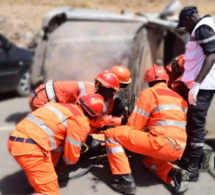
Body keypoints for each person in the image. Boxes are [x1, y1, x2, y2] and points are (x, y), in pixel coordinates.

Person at [103, 64, 189, 195]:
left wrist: (115, 124)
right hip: (179, 148)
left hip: (161, 143)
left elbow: (133, 126)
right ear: (166, 80)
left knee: (112, 134)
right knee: (149, 162)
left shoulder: (150, 93)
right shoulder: (179, 98)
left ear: (149, 82)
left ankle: (125, 181)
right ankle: (174, 172)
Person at [8, 94, 105, 195]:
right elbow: (69, 159)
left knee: (56, 151)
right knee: (50, 193)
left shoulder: (60, 106)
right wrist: (79, 150)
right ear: (94, 114)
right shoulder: (80, 121)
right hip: (31, 149)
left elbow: (56, 138)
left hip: (16, 140)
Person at [177, 6, 215, 181]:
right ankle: (188, 159)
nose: (185, 29)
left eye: (184, 26)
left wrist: (197, 84)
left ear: (188, 19)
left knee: (196, 125)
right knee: (192, 123)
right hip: (201, 85)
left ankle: (193, 168)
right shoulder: (203, 26)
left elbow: (212, 54)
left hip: (203, 86)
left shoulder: (202, 27)